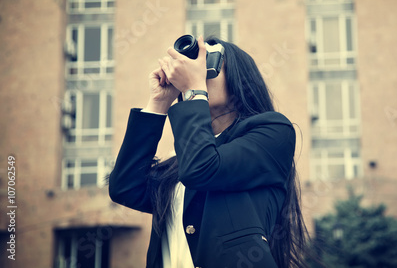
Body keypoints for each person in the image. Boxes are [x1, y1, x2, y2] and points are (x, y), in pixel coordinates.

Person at [108, 36, 308, 268]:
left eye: (208, 64)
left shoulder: (273, 132)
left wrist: (194, 89)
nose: (197, 73)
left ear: (238, 81)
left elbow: (202, 170)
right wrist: (159, 102)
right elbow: (125, 188)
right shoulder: (183, 162)